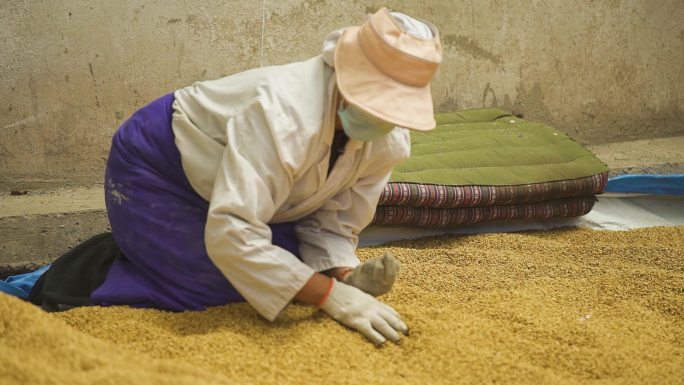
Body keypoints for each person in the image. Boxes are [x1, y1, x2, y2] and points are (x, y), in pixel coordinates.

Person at [6, 7, 443, 345]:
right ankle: (48, 280)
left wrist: (340, 272)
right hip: (159, 168)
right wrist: (330, 298)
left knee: (281, 267)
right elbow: (233, 234)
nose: (381, 117)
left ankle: (157, 248)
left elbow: (334, 219)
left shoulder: (387, 141)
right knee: (215, 286)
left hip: (231, 192)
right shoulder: (283, 113)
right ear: (346, 73)